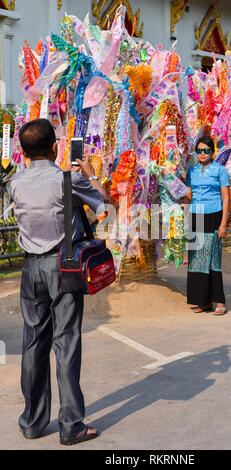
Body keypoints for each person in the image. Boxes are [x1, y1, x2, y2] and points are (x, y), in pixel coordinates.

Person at [10, 118, 108, 445]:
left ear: (23, 151)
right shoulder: (69, 179)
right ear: (55, 146)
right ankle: (71, 425)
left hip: (30, 270)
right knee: (66, 344)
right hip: (63, 267)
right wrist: (91, 175)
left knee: (33, 343)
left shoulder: (16, 182)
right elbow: (104, 208)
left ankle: (32, 422)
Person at [185, 135, 230, 315]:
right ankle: (202, 301)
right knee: (196, 260)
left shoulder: (220, 170)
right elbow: (188, 194)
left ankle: (219, 300)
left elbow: (225, 197)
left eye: (206, 150)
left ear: (212, 152)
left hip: (213, 215)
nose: (202, 154)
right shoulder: (192, 171)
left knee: (212, 258)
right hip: (196, 216)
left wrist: (223, 223)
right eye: (199, 151)